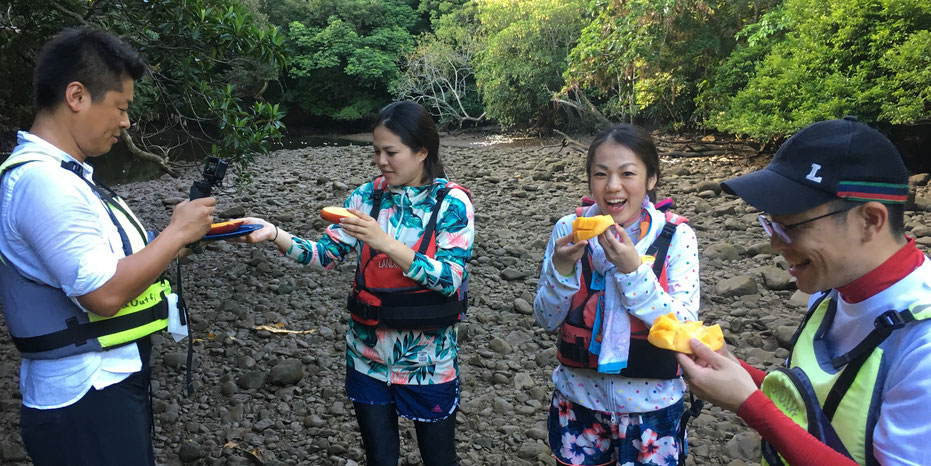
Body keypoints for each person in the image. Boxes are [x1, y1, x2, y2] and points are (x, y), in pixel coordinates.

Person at [0, 28, 215, 465]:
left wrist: (191, 237)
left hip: (105, 384)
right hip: (83, 397)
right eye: (120, 107)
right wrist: (174, 233)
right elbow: (104, 294)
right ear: (76, 96)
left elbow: (123, 263)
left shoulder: (69, 175)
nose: (127, 122)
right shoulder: (44, 183)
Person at [677, 117, 931, 465]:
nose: (774, 246)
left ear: (870, 221)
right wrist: (736, 371)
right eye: (770, 224)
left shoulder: (922, 342)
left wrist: (748, 404)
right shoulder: (833, 286)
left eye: (789, 227)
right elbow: (814, 404)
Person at [238, 101, 474, 466]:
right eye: (377, 151)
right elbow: (323, 254)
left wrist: (386, 243)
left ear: (422, 151)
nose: (382, 161)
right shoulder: (365, 197)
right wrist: (274, 233)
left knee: (439, 458)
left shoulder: (451, 202)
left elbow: (449, 279)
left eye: (391, 152)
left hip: (429, 360)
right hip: (367, 357)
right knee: (380, 459)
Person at [534, 124, 701, 465]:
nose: (612, 187)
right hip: (577, 402)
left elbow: (684, 330)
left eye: (627, 173)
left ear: (651, 178)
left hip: (652, 408)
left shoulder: (677, 236)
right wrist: (562, 270)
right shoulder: (568, 230)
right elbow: (546, 318)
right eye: (600, 175)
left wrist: (633, 271)